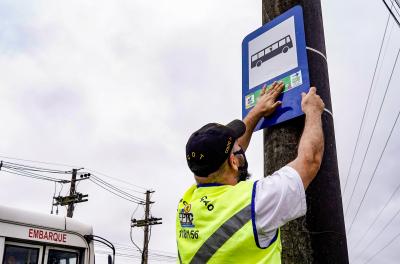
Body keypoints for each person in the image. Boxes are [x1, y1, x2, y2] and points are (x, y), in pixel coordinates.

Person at [176, 81, 325, 263]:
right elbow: (310, 160)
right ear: (233, 161)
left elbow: (229, 155)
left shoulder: (187, 203)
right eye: (237, 147)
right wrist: (313, 111)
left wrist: (257, 112)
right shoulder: (254, 203)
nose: (241, 145)